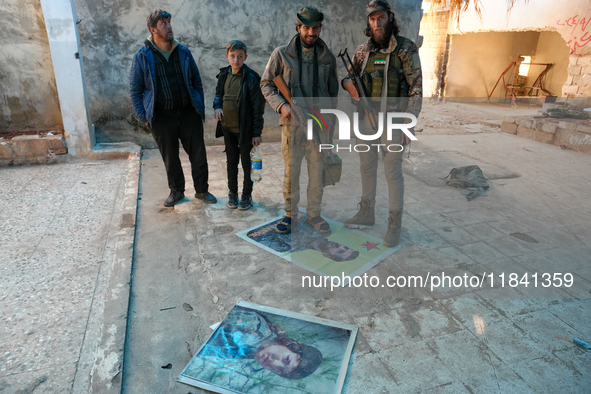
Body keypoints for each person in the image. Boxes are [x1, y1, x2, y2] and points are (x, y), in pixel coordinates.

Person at [341, 0, 422, 247]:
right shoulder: (362, 51)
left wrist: (410, 122)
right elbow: (348, 77)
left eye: (381, 18)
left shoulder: (406, 49)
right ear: (369, 21)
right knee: (367, 167)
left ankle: (394, 223)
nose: (377, 23)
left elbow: (416, 88)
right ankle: (367, 212)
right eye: (373, 19)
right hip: (366, 118)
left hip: (394, 120)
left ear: (390, 17)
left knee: (393, 173)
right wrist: (349, 86)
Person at [261, 6, 339, 235]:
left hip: (320, 125)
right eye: (307, 27)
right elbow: (266, 84)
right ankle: (290, 214)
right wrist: (282, 105)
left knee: (317, 172)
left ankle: (314, 214)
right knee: (291, 172)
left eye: (316, 28)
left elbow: (332, 93)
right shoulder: (280, 54)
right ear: (298, 28)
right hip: (292, 126)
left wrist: (331, 129)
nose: (311, 33)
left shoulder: (328, 57)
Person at [130, 9, 216, 207]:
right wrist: (144, 116)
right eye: (163, 24)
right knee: (170, 156)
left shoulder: (183, 51)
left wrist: (198, 106)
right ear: (153, 30)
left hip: (188, 113)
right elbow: (135, 90)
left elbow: (196, 81)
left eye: (169, 23)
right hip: (161, 116)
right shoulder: (142, 56)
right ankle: (176, 191)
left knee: (198, 154)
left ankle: (202, 190)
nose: (169, 27)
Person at [200, 307, 323, 379]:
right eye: (286, 359)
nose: (274, 363)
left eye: (279, 371)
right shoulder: (256, 325)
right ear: (290, 345)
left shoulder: (249, 353)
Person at [213, 40, 265, 211]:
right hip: (228, 129)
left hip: (245, 131)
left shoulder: (251, 78)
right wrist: (217, 107)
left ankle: (246, 195)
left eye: (240, 56)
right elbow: (218, 95)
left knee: (246, 164)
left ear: (245, 57)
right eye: (233, 56)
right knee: (231, 163)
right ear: (227, 56)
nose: (236, 60)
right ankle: (232, 194)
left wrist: (256, 132)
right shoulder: (223, 76)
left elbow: (258, 108)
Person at [247, 219, 359, 262]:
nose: (340, 246)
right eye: (345, 247)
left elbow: (258, 236)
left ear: (327, 255)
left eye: (340, 251)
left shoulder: (288, 247)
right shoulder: (321, 229)